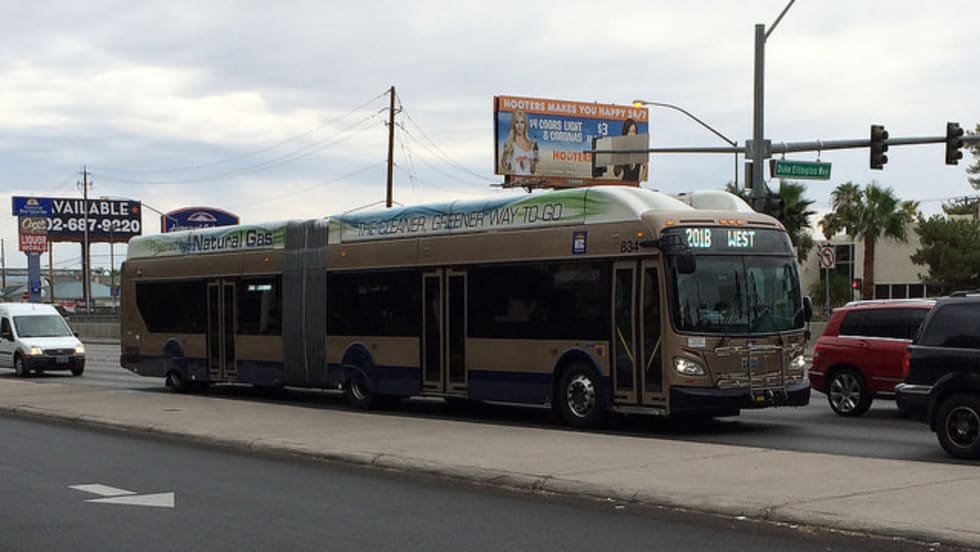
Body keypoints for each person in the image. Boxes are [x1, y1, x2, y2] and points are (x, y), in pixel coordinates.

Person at [499, 110, 539, 175]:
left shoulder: (532, 144)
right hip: (515, 179)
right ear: (513, 125)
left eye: (522, 122)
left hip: (529, 180)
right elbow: (504, 166)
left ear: (525, 125)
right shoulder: (510, 144)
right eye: (517, 122)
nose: (519, 125)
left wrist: (533, 164)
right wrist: (507, 165)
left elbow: (533, 170)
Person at [613, 118, 649, 182]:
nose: (632, 134)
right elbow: (616, 173)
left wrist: (640, 182)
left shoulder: (639, 149)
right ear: (625, 132)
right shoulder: (621, 149)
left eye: (634, 131)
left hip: (635, 186)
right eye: (629, 131)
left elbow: (645, 169)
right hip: (623, 185)